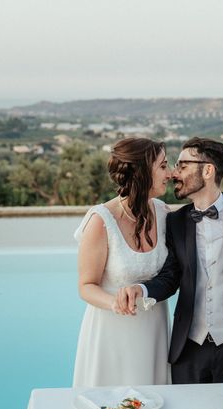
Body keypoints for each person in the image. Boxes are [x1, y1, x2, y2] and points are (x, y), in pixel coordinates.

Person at [116, 137, 223, 384]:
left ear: (208, 170)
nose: (174, 174)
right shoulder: (175, 222)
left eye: (182, 166)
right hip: (187, 350)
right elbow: (171, 277)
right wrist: (142, 289)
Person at [72, 138, 171, 387]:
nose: (169, 173)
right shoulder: (101, 221)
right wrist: (115, 303)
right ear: (141, 172)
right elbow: (86, 285)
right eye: (163, 166)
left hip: (153, 329)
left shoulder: (163, 213)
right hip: (111, 331)